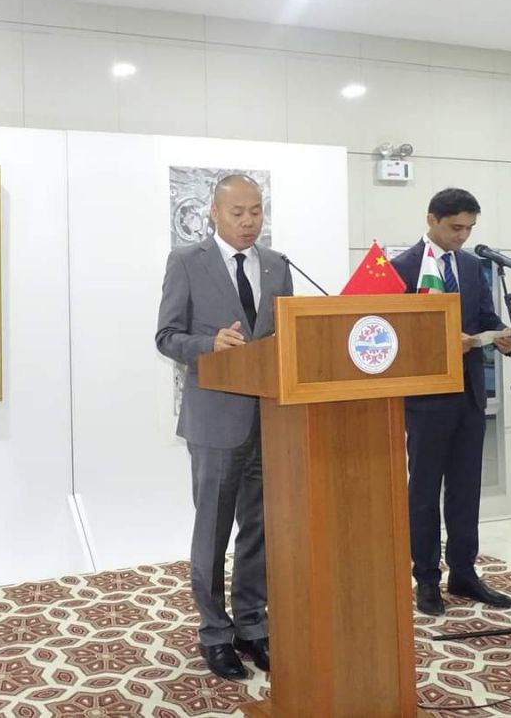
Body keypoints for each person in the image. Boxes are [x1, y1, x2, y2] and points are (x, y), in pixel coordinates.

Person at [154, 174, 293, 681]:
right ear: (214, 213)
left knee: (261, 527)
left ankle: (253, 624)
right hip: (215, 421)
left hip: (270, 419)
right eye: (238, 213)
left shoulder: (277, 264)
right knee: (213, 530)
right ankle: (214, 631)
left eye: (256, 211)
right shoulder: (186, 262)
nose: (248, 221)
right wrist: (209, 344)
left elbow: (287, 335)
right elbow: (167, 336)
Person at [390, 188, 511, 617]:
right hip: (426, 398)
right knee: (424, 491)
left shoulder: (470, 266)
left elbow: (483, 317)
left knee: (466, 488)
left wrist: (500, 334)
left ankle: (463, 571)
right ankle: (426, 578)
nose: (462, 237)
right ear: (432, 220)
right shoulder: (403, 268)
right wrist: (445, 341)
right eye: (455, 227)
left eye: (469, 229)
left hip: (469, 393)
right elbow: (394, 335)